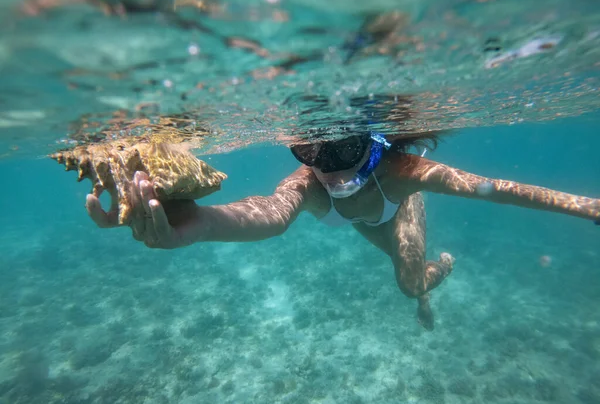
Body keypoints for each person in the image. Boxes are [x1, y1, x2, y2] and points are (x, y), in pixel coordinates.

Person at [85, 128, 600, 331]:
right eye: (311, 151)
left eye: (344, 148)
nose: (329, 167)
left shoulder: (401, 171)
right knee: (404, 279)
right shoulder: (309, 183)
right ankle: (421, 278)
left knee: (410, 285)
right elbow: (269, 212)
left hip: (399, 213)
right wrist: (200, 224)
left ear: (372, 143)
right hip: (366, 225)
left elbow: (494, 187)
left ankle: (434, 272)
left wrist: (588, 207)